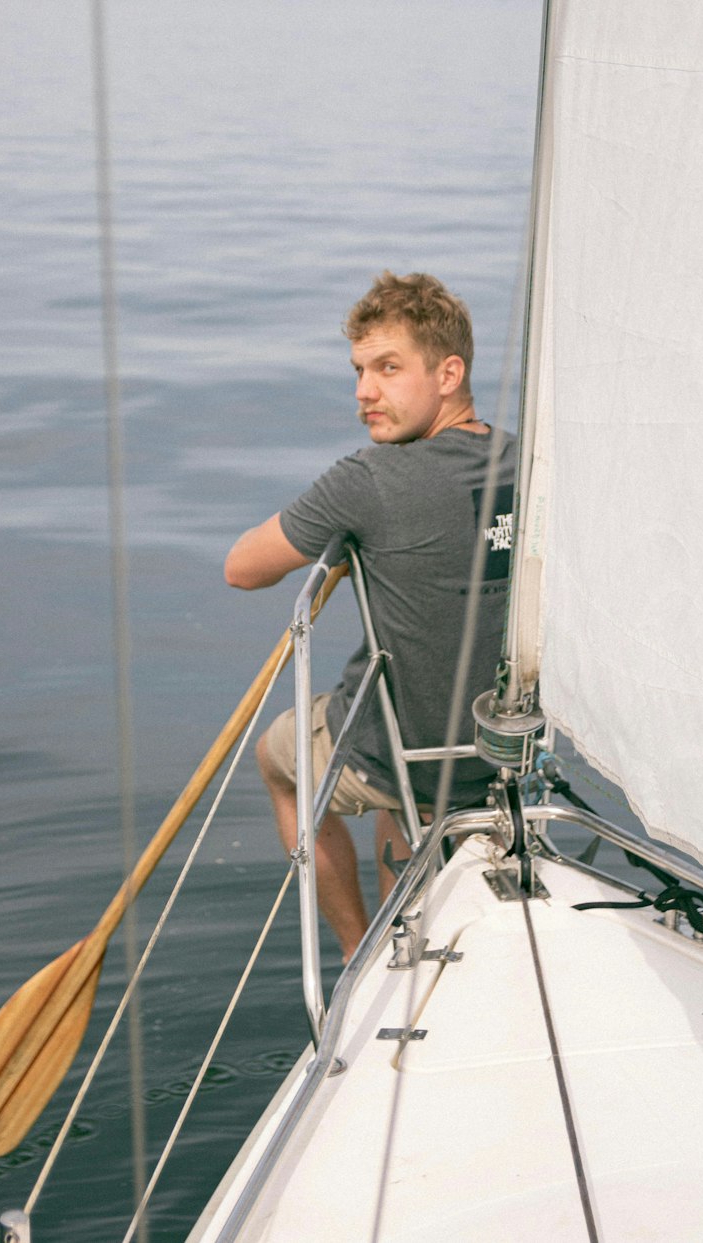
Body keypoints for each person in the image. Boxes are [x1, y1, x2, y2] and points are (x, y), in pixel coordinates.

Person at [225, 271, 516, 959]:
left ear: (449, 373)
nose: (364, 392)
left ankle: (361, 950)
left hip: (405, 750)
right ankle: (405, 906)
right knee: (392, 774)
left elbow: (242, 567)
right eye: (358, 370)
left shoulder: (366, 482)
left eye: (388, 368)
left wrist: (348, 536)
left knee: (279, 758)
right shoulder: (523, 462)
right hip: (500, 748)